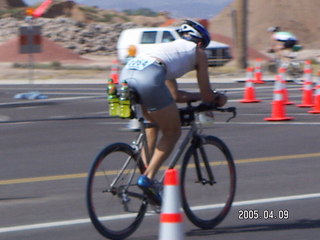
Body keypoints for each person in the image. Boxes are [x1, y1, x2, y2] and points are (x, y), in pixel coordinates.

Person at [119, 19, 227, 203]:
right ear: (200, 43)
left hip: (127, 74)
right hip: (150, 77)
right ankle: (148, 179)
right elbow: (207, 94)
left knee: (152, 125)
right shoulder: (198, 52)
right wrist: (219, 98)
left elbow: (174, 95)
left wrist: (196, 97)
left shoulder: (168, 49)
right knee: (173, 131)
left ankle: (144, 172)